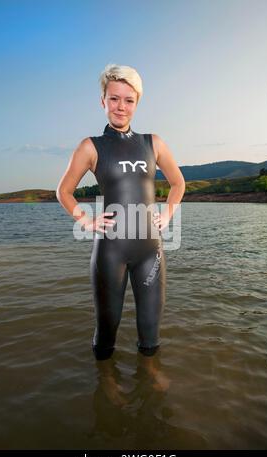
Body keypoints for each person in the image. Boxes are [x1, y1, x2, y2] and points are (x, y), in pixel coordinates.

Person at [56, 64, 185, 361]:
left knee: (151, 331)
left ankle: (150, 381)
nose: (121, 107)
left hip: (150, 251)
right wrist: (85, 219)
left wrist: (166, 215)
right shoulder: (91, 147)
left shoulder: (153, 143)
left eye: (129, 100)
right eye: (114, 99)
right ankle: (107, 385)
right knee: (106, 330)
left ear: (137, 103)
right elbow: (63, 192)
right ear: (103, 101)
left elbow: (178, 183)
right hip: (110, 251)